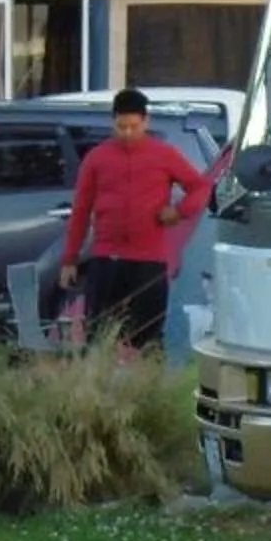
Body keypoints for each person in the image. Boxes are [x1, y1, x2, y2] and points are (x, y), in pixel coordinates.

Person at [58, 88, 213, 349]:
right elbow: (81, 211)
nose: (127, 133)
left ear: (145, 122)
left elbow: (201, 187)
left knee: (149, 335)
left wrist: (179, 210)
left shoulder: (164, 154)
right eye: (121, 127)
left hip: (148, 260)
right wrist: (70, 259)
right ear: (113, 122)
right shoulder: (97, 158)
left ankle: (149, 383)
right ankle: (99, 384)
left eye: (133, 126)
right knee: (100, 333)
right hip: (107, 258)